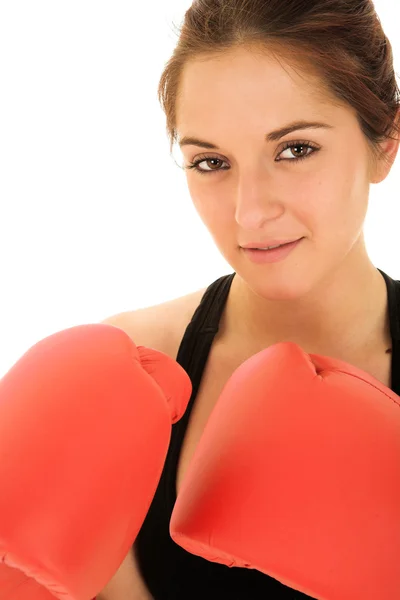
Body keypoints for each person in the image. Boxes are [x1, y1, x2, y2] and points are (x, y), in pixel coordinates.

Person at [97, 0, 400, 598]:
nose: (250, 212)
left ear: (385, 142)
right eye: (211, 162)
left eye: (295, 149)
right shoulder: (128, 373)